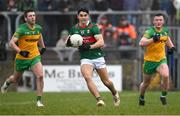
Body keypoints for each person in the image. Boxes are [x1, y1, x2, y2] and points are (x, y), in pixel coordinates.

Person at [66, 8, 120, 107]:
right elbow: (68, 42)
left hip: (97, 57)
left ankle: (114, 93)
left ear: (88, 16)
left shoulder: (93, 27)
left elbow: (101, 42)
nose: (83, 17)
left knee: (106, 82)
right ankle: (99, 99)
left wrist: (89, 46)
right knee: (87, 77)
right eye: (81, 15)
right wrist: (69, 43)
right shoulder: (74, 29)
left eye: (85, 15)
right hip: (85, 58)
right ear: (77, 16)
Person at [1, 9, 46, 107]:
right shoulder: (21, 29)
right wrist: (20, 51)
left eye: (34, 15)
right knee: (15, 79)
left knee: (40, 75)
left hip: (34, 56)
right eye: (30, 16)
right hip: (22, 58)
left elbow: (39, 35)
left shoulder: (38, 28)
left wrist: (43, 46)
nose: (33, 17)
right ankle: (7, 83)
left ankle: (39, 101)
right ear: (26, 18)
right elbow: (11, 43)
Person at [138, 13, 176, 106]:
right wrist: (152, 39)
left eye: (160, 20)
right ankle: (141, 97)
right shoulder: (150, 31)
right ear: (153, 22)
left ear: (163, 21)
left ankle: (163, 96)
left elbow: (167, 38)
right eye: (156, 20)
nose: (158, 22)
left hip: (161, 60)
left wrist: (171, 47)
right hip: (149, 61)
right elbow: (141, 43)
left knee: (166, 75)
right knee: (146, 84)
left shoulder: (165, 30)